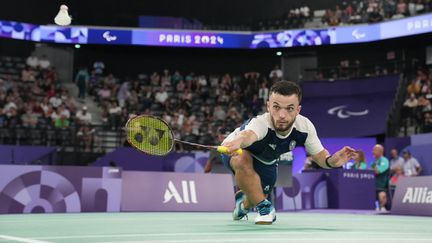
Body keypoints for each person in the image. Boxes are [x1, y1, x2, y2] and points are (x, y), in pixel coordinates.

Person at [221, 81, 356, 224]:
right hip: (236, 150)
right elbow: (248, 135)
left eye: (289, 109)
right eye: (276, 107)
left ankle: (243, 204)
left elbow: (319, 156)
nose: (282, 115)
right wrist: (238, 141)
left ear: (298, 110)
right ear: (268, 106)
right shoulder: (260, 123)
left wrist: (331, 161)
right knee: (241, 159)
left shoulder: (305, 127)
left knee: (257, 195)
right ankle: (266, 209)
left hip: (267, 160)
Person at [371, 144, 390, 212]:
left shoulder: (384, 160)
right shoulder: (373, 161)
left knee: (382, 196)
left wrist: (374, 167)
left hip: (382, 185)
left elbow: (378, 171)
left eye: (374, 150)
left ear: (380, 151)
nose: (372, 152)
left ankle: (382, 207)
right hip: (373, 185)